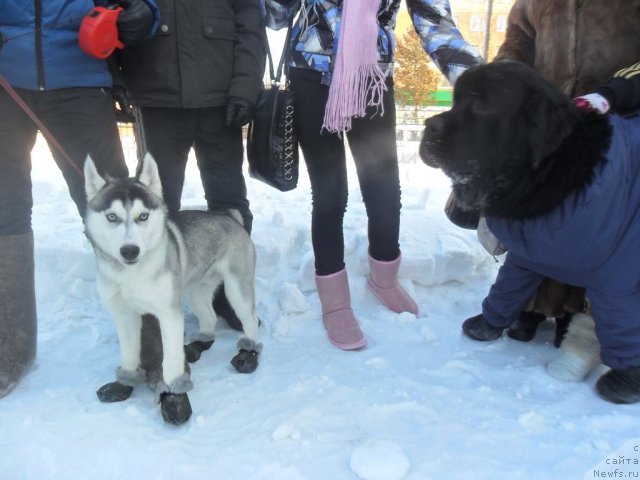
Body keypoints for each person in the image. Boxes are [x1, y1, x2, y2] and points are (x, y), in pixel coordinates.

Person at [264, 0, 483, 349]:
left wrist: (482, 83)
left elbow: (436, 23)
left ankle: (383, 278)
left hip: (372, 79)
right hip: (310, 75)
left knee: (383, 188)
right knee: (330, 193)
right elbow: (273, 15)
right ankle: (334, 300)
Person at [462, 0, 640, 404]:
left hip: (613, 130)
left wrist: (615, 92)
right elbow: (519, 40)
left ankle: (587, 330)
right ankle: (533, 307)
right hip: (540, 130)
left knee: (610, 246)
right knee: (534, 227)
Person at [0, 0, 159, 398]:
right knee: (4, 211)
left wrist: (145, 15)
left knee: (114, 211)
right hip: (6, 82)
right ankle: (10, 348)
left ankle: (153, 349)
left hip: (79, 84)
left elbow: (144, 7)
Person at [117, 0, 266, 332]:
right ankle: (154, 294)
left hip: (220, 98)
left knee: (230, 203)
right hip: (158, 97)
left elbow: (250, 26)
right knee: (155, 205)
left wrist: (244, 89)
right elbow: (115, 14)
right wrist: (117, 77)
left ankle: (229, 293)